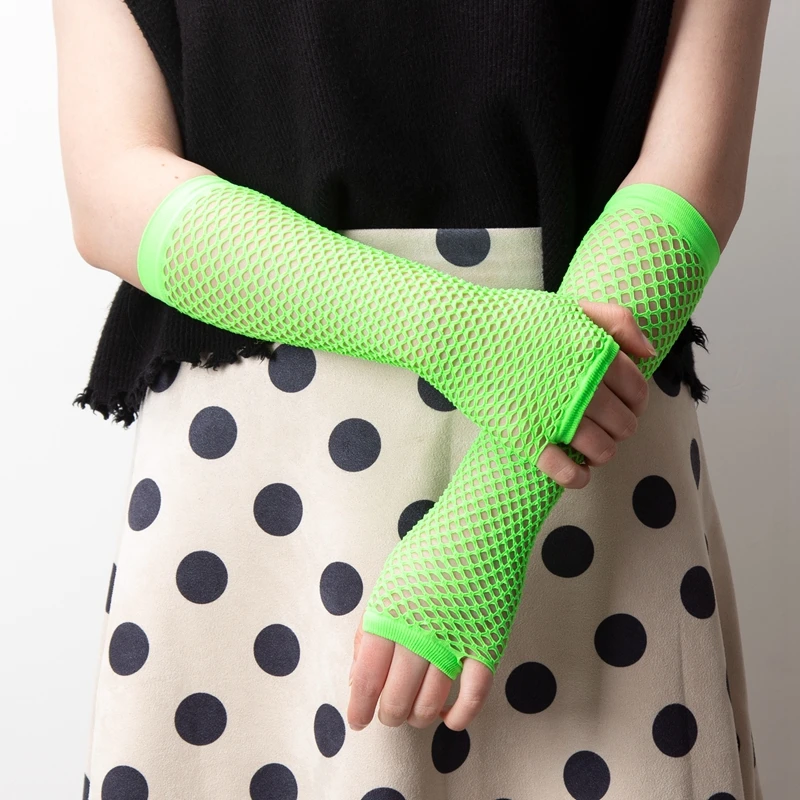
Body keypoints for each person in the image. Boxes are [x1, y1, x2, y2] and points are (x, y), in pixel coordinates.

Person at [53, 0, 770, 797]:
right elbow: (109, 186)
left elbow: (692, 173)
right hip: (270, 465)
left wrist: (492, 516)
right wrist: (456, 331)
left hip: (579, 406)